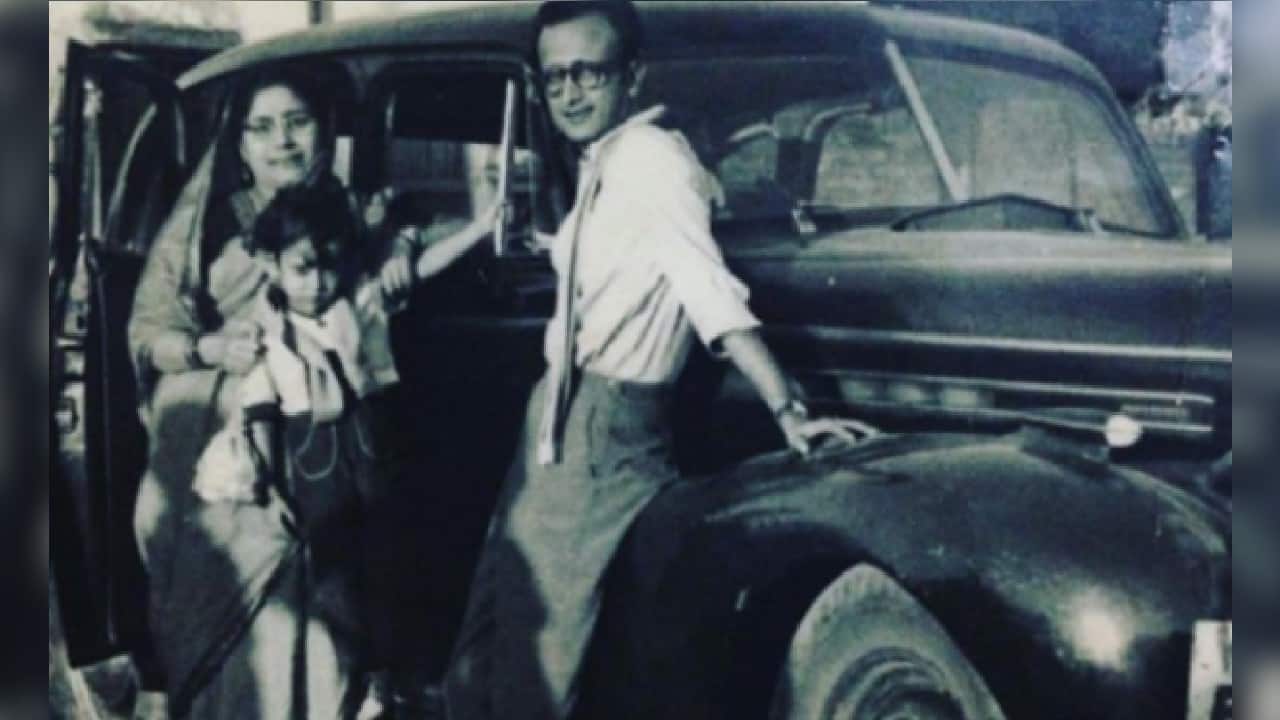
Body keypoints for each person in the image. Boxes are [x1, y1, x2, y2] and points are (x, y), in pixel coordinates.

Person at [442, 2, 868, 719]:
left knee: (536, 670)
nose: (571, 92)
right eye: (555, 78)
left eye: (590, 72)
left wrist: (789, 409)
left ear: (631, 75)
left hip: (604, 430)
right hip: (556, 421)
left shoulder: (652, 162)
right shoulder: (606, 163)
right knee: (491, 641)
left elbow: (708, 289)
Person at [125, 68, 434, 718]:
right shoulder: (209, 225)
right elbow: (150, 329)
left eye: (296, 121)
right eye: (261, 128)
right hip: (223, 441)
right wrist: (212, 348)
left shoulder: (342, 212)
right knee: (231, 616)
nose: (282, 141)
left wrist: (400, 244)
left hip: (321, 442)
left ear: (322, 129)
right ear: (238, 145)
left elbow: (408, 219)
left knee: (329, 606)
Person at [184, 178, 496, 719]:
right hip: (312, 462)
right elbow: (260, 409)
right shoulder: (267, 334)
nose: (318, 282)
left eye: (330, 266)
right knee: (334, 580)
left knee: (390, 564)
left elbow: (420, 270)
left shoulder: (357, 306)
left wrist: (482, 227)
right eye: (303, 269)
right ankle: (349, 683)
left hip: (373, 448)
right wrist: (270, 487)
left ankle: (388, 681)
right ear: (272, 265)